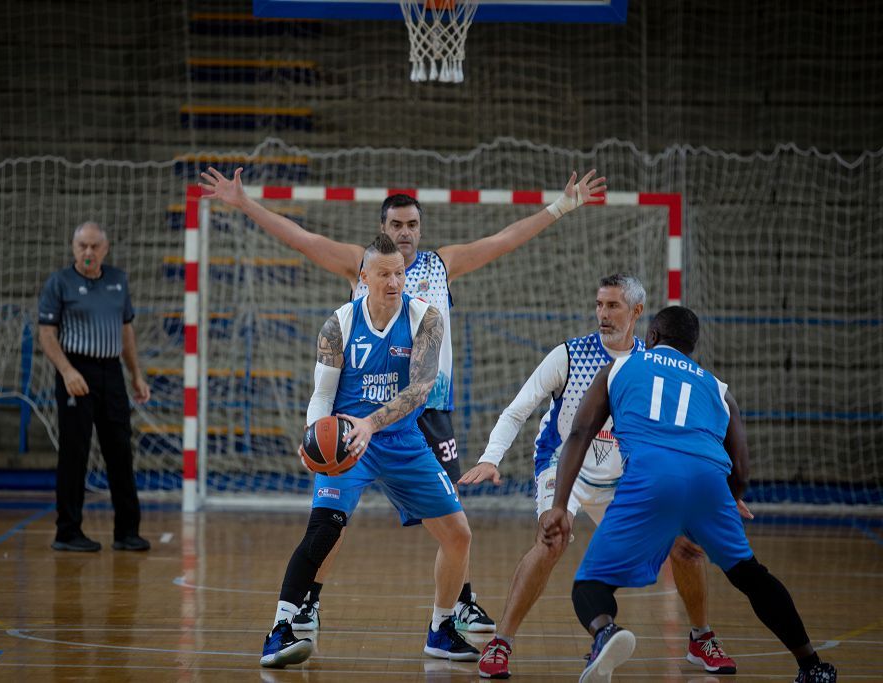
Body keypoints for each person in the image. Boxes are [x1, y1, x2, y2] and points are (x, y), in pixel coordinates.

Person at [200, 165, 606, 633]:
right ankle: (309, 602)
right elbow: (301, 237)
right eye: (396, 225)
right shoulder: (360, 263)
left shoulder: (441, 264)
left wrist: (559, 206)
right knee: (334, 520)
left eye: (412, 224)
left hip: (427, 411)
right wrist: (246, 204)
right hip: (361, 414)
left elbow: (503, 239)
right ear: (383, 230)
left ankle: (460, 604)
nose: (405, 232)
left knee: (452, 518)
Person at [462, 274, 740, 678]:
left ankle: (701, 638)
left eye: (613, 306)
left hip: (624, 477)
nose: (603, 314)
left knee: (686, 546)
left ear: (638, 313)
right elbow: (518, 409)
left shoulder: (650, 366)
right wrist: (491, 457)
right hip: (564, 467)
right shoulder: (569, 356)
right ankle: (500, 643)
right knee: (551, 540)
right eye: (599, 304)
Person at [539, 306, 836, 683]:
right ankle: (812, 666)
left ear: (651, 338)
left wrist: (560, 506)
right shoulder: (718, 389)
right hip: (709, 480)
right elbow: (741, 466)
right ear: (692, 346)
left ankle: (605, 633)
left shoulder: (618, 369)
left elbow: (580, 434)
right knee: (751, 575)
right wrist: (731, 497)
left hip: (651, 475)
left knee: (591, 584)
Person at [261, 235, 477, 668]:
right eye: (384, 274)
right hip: (345, 440)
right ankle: (280, 630)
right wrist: (313, 437)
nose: (395, 281)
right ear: (364, 278)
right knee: (324, 531)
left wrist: (372, 424)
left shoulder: (425, 318)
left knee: (458, 535)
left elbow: (419, 391)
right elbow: (321, 395)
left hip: (402, 441)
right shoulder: (339, 323)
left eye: (399, 272)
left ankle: (441, 628)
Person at [38, 222, 151, 553]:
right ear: (73, 248)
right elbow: (47, 334)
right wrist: (67, 371)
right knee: (75, 453)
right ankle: (68, 531)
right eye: (82, 246)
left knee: (120, 450)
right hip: (76, 370)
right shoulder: (59, 282)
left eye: (94, 247)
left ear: (106, 248)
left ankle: (127, 531)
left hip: (111, 372)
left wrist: (136, 375)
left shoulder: (118, 280)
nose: (88, 252)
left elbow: (126, 331)